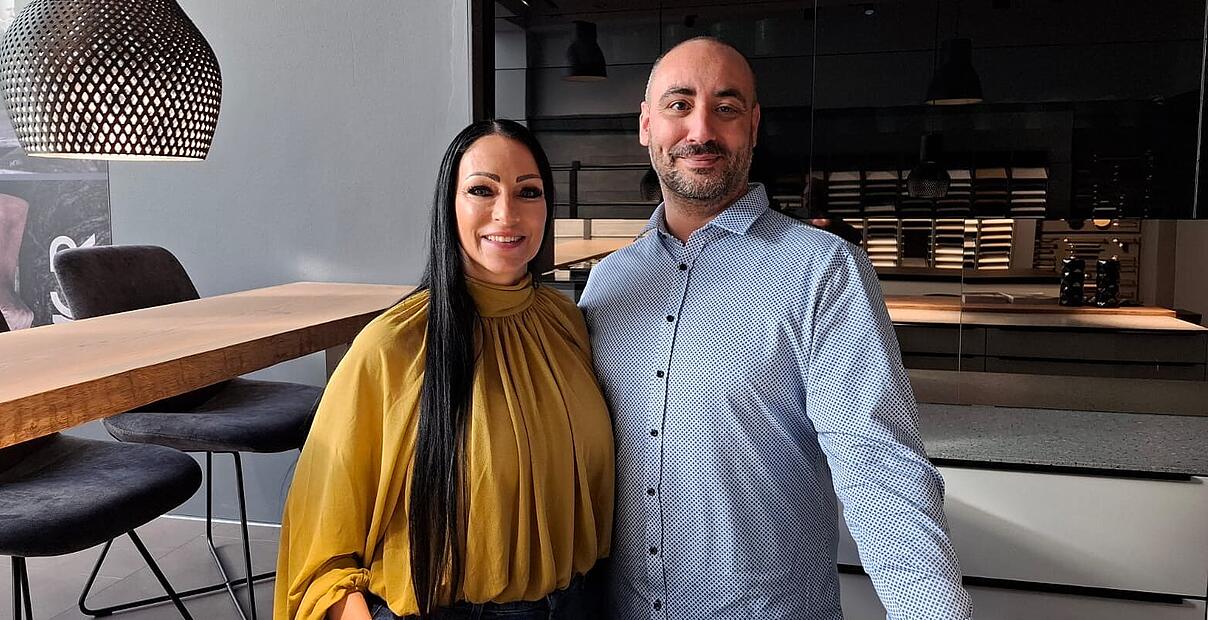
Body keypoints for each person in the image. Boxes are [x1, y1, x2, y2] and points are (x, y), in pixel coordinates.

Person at [578, 37, 971, 619]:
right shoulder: (608, 282)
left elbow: (880, 469)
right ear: (646, 125)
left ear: (754, 126)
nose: (701, 130)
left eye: (726, 108)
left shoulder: (822, 269)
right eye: (679, 105)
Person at [275, 119, 614, 620]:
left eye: (529, 192)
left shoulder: (568, 323)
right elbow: (322, 552)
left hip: (580, 602)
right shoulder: (393, 347)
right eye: (481, 190)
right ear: (448, 206)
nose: (507, 213)